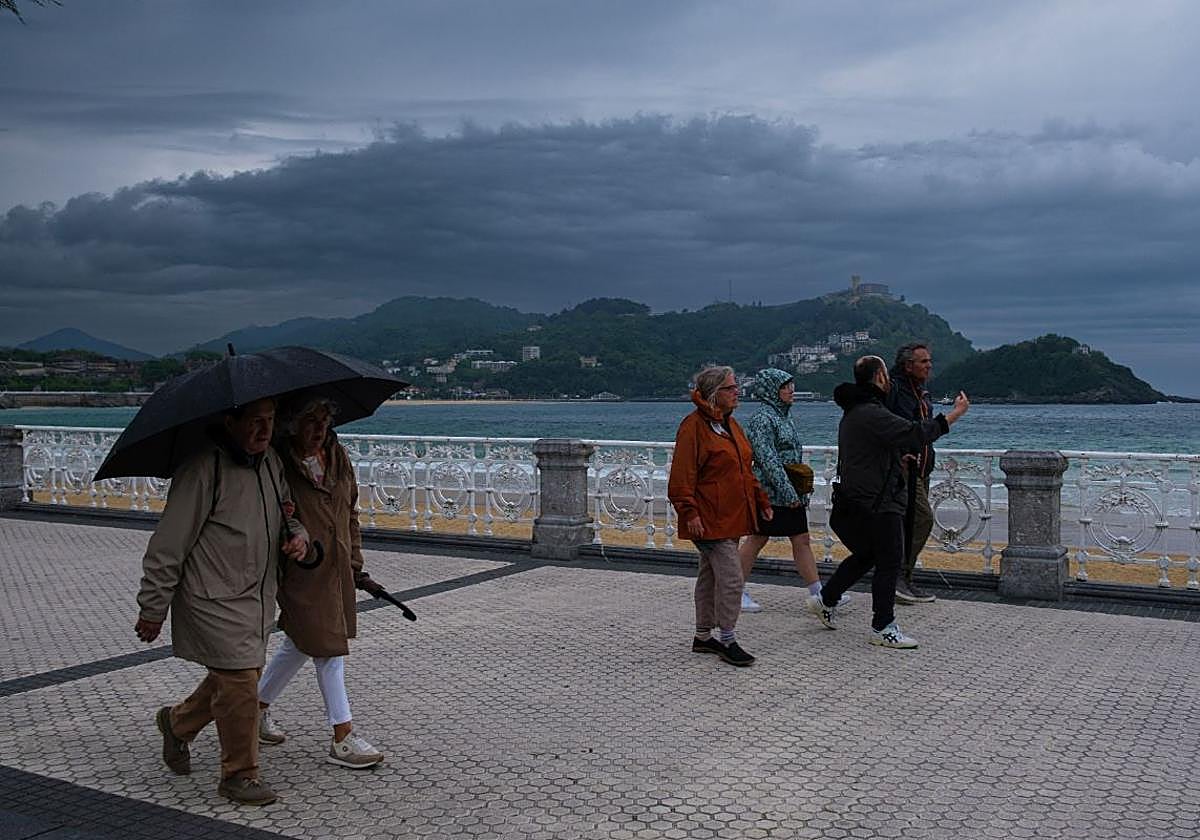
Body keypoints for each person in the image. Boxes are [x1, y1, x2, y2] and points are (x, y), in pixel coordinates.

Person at [135, 397, 309, 806]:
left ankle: (177, 723)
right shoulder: (202, 468)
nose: (265, 430)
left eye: (270, 420)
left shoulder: (270, 463)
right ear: (230, 422)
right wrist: (152, 607)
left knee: (235, 678)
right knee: (241, 681)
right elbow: (168, 545)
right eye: (255, 421)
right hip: (211, 596)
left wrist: (299, 536)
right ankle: (239, 775)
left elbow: (288, 515)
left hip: (257, 595)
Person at [256, 395, 384, 769]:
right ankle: (342, 736)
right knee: (328, 647)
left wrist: (355, 564)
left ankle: (253, 709)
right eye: (310, 421)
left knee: (301, 642)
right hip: (301, 568)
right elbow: (269, 515)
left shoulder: (337, 456)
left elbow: (350, 512)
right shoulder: (277, 461)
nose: (319, 429)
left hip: (337, 567)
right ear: (292, 423)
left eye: (325, 421)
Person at [806, 356, 968, 648]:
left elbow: (871, 451)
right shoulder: (871, 412)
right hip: (879, 499)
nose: (890, 380)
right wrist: (954, 415)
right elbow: (915, 433)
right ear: (879, 377)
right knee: (890, 561)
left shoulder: (857, 411)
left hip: (864, 496)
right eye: (885, 375)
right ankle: (883, 626)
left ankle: (826, 599)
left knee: (868, 555)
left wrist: (897, 459)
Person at [668, 366, 773, 667]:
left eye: (736, 386)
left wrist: (761, 499)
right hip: (708, 517)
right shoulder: (693, 427)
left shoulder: (730, 424)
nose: (737, 391)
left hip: (731, 515)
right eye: (730, 388)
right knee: (731, 578)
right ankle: (727, 639)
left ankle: (703, 636)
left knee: (710, 575)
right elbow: (682, 476)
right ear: (715, 394)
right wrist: (689, 512)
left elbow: (744, 468)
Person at [736, 368, 830, 611]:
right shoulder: (763, 419)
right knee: (758, 538)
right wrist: (788, 493)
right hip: (771, 492)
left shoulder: (783, 416)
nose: (791, 390)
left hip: (788, 491)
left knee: (801, 538)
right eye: (785, 386)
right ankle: (735, 591)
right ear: (771, 390)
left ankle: (820, 594)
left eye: (791, 385)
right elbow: (768, 460)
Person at [885, 342, 938, 604]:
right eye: (923, 361)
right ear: (908, 365)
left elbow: (924, 430)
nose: (929, 366)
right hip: (904, 468)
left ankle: (905, 579)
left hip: (922, 467)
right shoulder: (895, 389)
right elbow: (888, 428)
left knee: (909, 524)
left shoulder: (921, 392)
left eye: (929, 361)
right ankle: (896, 577)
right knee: (921, 519)